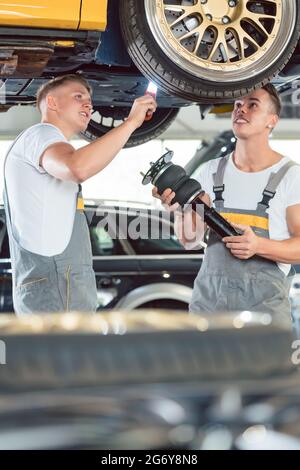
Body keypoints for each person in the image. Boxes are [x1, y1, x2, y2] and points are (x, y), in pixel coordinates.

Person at [3, 74, 157, 315]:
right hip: (57, 286)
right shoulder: (41, 135)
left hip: (59, 284)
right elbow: (77, 167)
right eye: (78, 97)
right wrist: (130, 123)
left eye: (90, 100)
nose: (89, 105)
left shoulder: (45, 141)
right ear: (52, 103)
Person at [153, 84, 300, 321]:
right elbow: (190, 240)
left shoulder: (291, 176)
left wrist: (258, 246)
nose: (241, 110)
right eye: (238, 105)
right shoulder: (211, 171)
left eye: (253, 105)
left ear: (271, 121)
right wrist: (179, 210)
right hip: (210, 307)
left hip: (264, 313)